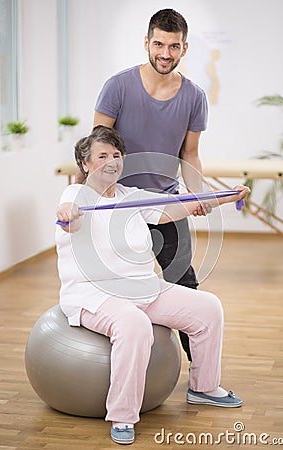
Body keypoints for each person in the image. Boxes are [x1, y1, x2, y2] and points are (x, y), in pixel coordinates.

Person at [56, 125, 249, 445]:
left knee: (207, 307)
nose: (111, 161)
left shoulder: (131, 197)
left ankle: (203, 387)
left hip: (141, 287)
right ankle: (122, 415)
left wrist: (227, 196)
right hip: (94, 293)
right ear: (86, 164)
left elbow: (180, 206)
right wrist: (67, 213)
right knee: (134, 324)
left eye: (117, 155)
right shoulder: (76, 195)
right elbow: (69, 215)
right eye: (102, 155)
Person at [88, 8, 209, 362]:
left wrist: (198, 195)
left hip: (164, 203)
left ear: (184, 49)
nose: (165, 53)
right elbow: (96, 147)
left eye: (174, 46)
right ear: (146, 43)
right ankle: (106, 361)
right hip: (117, 201)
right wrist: (86, 198)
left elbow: (190, 155)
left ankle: (201, 375)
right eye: (159, 44)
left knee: (185, 283)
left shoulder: (194, 96)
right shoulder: (118, 86)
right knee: (107, 283)